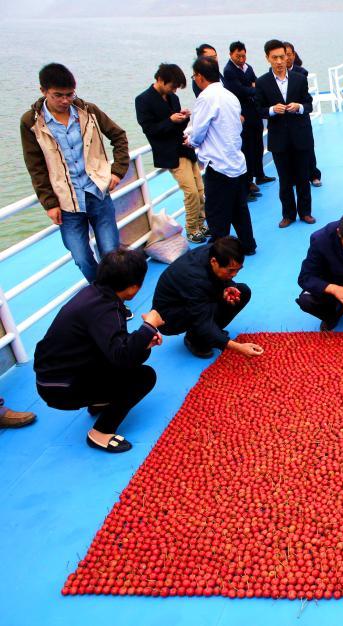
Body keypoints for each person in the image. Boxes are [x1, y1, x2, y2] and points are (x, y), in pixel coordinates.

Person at [34, 249, 161, 453]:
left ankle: (99, 401)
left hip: (52, 376)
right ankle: (101, 432)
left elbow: (116, 346)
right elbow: (123, 357)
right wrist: (149, 327)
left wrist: (144, 341)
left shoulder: (93, 294)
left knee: (132, 362)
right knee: (144, 377)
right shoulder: (107, 310)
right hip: (60, 387)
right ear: (134, 287)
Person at [21, 63, 128, 284]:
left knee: (110, 253)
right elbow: (35, 166)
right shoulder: (31, 122)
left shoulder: (88, 112)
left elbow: (119, 136)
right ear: (43, 91)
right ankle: (104, 295)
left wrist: (117, 171)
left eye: (69, 94)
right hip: (66, 202)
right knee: (81, 258)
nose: (65, 100)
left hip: (97, 193)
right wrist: (49, 203)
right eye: (57, 95)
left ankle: (114, 302)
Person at [187, 57, 257, 254]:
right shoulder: (229, 95)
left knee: (217, 213)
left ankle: (220, 252)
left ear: (200, 76)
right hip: (236, 161)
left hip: (218, 164)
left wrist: (190, 141)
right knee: (239, 209)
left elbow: (198, 131)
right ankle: (248, 245)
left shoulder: (205, 98)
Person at [152, 236, 263, 359]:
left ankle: (211, 334)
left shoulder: (217, 251)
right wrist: (237, 347)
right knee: (205, 316)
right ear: (214, 262)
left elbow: (220, 279)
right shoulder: (194, 279)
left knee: (242, 292)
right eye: (231, 271)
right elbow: (202, 319)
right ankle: (195, 339)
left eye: (238, 270)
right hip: (169, 317)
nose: (234, 274)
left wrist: (229, 285)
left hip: (193, 298)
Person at [136, 63, 207, 244]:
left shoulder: (172, 98)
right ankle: (192, 229)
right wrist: (170, 120)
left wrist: (184, 117)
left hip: (184, 147)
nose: (174, 90)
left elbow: (178, 125)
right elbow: (150, 130)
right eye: (172, 86)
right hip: (169, 153)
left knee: (200, 189)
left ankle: (201, 223)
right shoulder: (143, 100)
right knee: (191, 191)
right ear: (160, 80)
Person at [255, 39, 316, 229]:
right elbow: (259, 109)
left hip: (300, 135)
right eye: (275, 58)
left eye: (282, 56)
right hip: (279, 138)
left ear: (288, 56)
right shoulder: (262, 82)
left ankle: (305, 212)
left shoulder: (299, 78)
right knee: (285, 179)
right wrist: (273, 110)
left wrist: (299, 107)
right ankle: (288, 214)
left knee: (303, 176)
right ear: (268, 58)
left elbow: (309, 104)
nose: (280, 61)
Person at [223, 41, 271, 192]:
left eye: (243, 55)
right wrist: (253, 89)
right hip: (242, 113)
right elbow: (238, 90)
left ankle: (260, 174)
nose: (241, 59)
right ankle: (248, 180)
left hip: (254, 111)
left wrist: (253, 88)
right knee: (247, 147)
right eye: (238, 56)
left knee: (258, 144)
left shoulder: (248, 67)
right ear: (231, 54)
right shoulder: (229, 70)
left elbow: (256, 83)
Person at [282, 43, 322, 187]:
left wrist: (297, 106)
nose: (286, 58)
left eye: (289, 54)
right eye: (283, 55)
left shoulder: (301, 73)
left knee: (308, 147)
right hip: (284, 119)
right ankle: (294, 177)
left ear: (294, 55)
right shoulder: (274, 75)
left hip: (300, 116)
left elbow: (305, 98)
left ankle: (314, 175)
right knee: (289, 148)